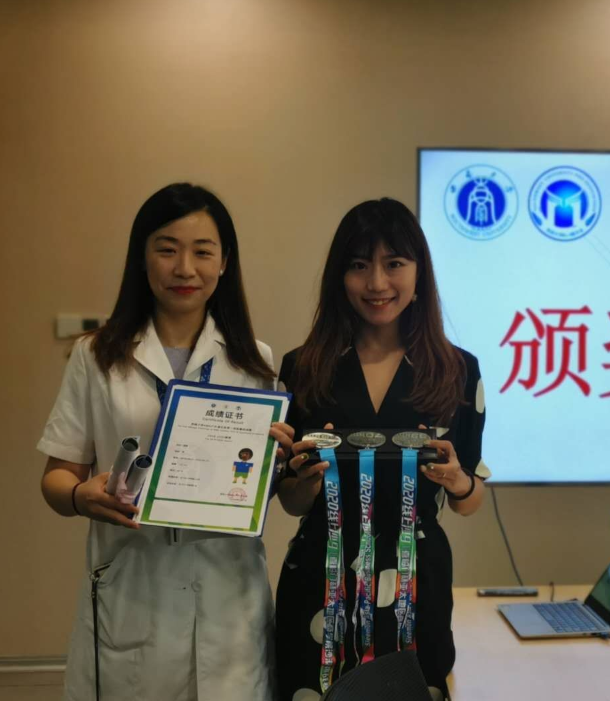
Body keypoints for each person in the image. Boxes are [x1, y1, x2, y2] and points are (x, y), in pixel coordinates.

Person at [38, 183, 294, 701]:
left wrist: (277, 462)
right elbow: (56, 477)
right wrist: (80, 496)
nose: (185, 268)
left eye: (203, 252)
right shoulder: (96, 355)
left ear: (225, 262)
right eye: (167, 249)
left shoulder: (255, 361)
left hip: (229, 599)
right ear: (142, 257)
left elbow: (258, 488)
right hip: (133, 588)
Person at [275, 198, 490, 701]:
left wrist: (459, 482)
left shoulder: (457, 370)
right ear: (339, 276)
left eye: (394, 264)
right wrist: (301, 483)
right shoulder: (302, 367)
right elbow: (292, 502)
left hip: (416, 587)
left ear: (419, 273)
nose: (376, 283)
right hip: (320, 583)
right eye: (358, 265)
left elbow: (470, 498)